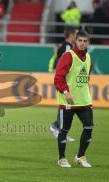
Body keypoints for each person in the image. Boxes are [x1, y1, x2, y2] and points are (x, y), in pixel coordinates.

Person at [54, 31, 94, 168]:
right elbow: (58, 78)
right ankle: (62, 158)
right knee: (64, 130)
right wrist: (66, 92)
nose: (82, 43)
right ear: (75, 41)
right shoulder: (67, 56)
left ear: (88, 42)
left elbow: (86, 76)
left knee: (89, 127)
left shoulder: (89, 58)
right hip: (68, 101)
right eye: (80, 40)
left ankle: (80, 156)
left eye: (85, 41)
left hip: (84, 101)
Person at [49, 27, 78, 142]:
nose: (77, 36)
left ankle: (60, 130)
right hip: (64, 81)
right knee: (65, 107)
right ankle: (57, 128)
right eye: (76, 34)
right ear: (71, 35)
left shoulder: (67, 46)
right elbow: (66, 63)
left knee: (68, 107)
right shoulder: (67, 47)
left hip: (65, 80)